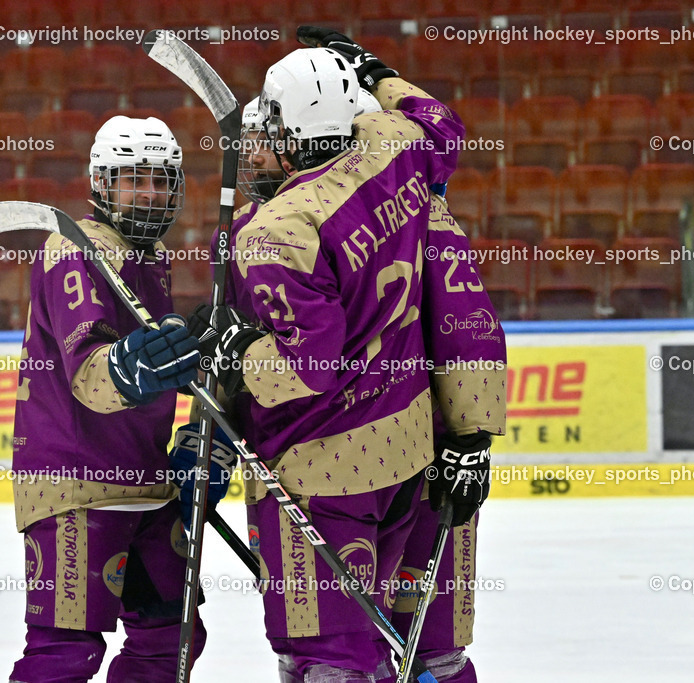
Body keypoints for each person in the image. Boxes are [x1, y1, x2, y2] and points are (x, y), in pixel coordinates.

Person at [189, 31, 507, 683]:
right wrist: (375, 68)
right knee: (427, 652)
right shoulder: (399, 156)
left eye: (266, 129)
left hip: (320, 468)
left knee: (330, 661)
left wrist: (236, 355)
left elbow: (308, 365)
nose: (254, 148)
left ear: (292, 131)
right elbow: (439, 124)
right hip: (409, 445)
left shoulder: (275, 230)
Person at [8, 115, 206, 683]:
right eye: (131, 178)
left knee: (174, 637)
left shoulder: (149, 256)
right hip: (75, 481)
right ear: (99, 183)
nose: (147, 192)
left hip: (144, 479)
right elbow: (91, 375)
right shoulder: (73, 250)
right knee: (65, 652)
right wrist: (131, 366)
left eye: (159, 179)